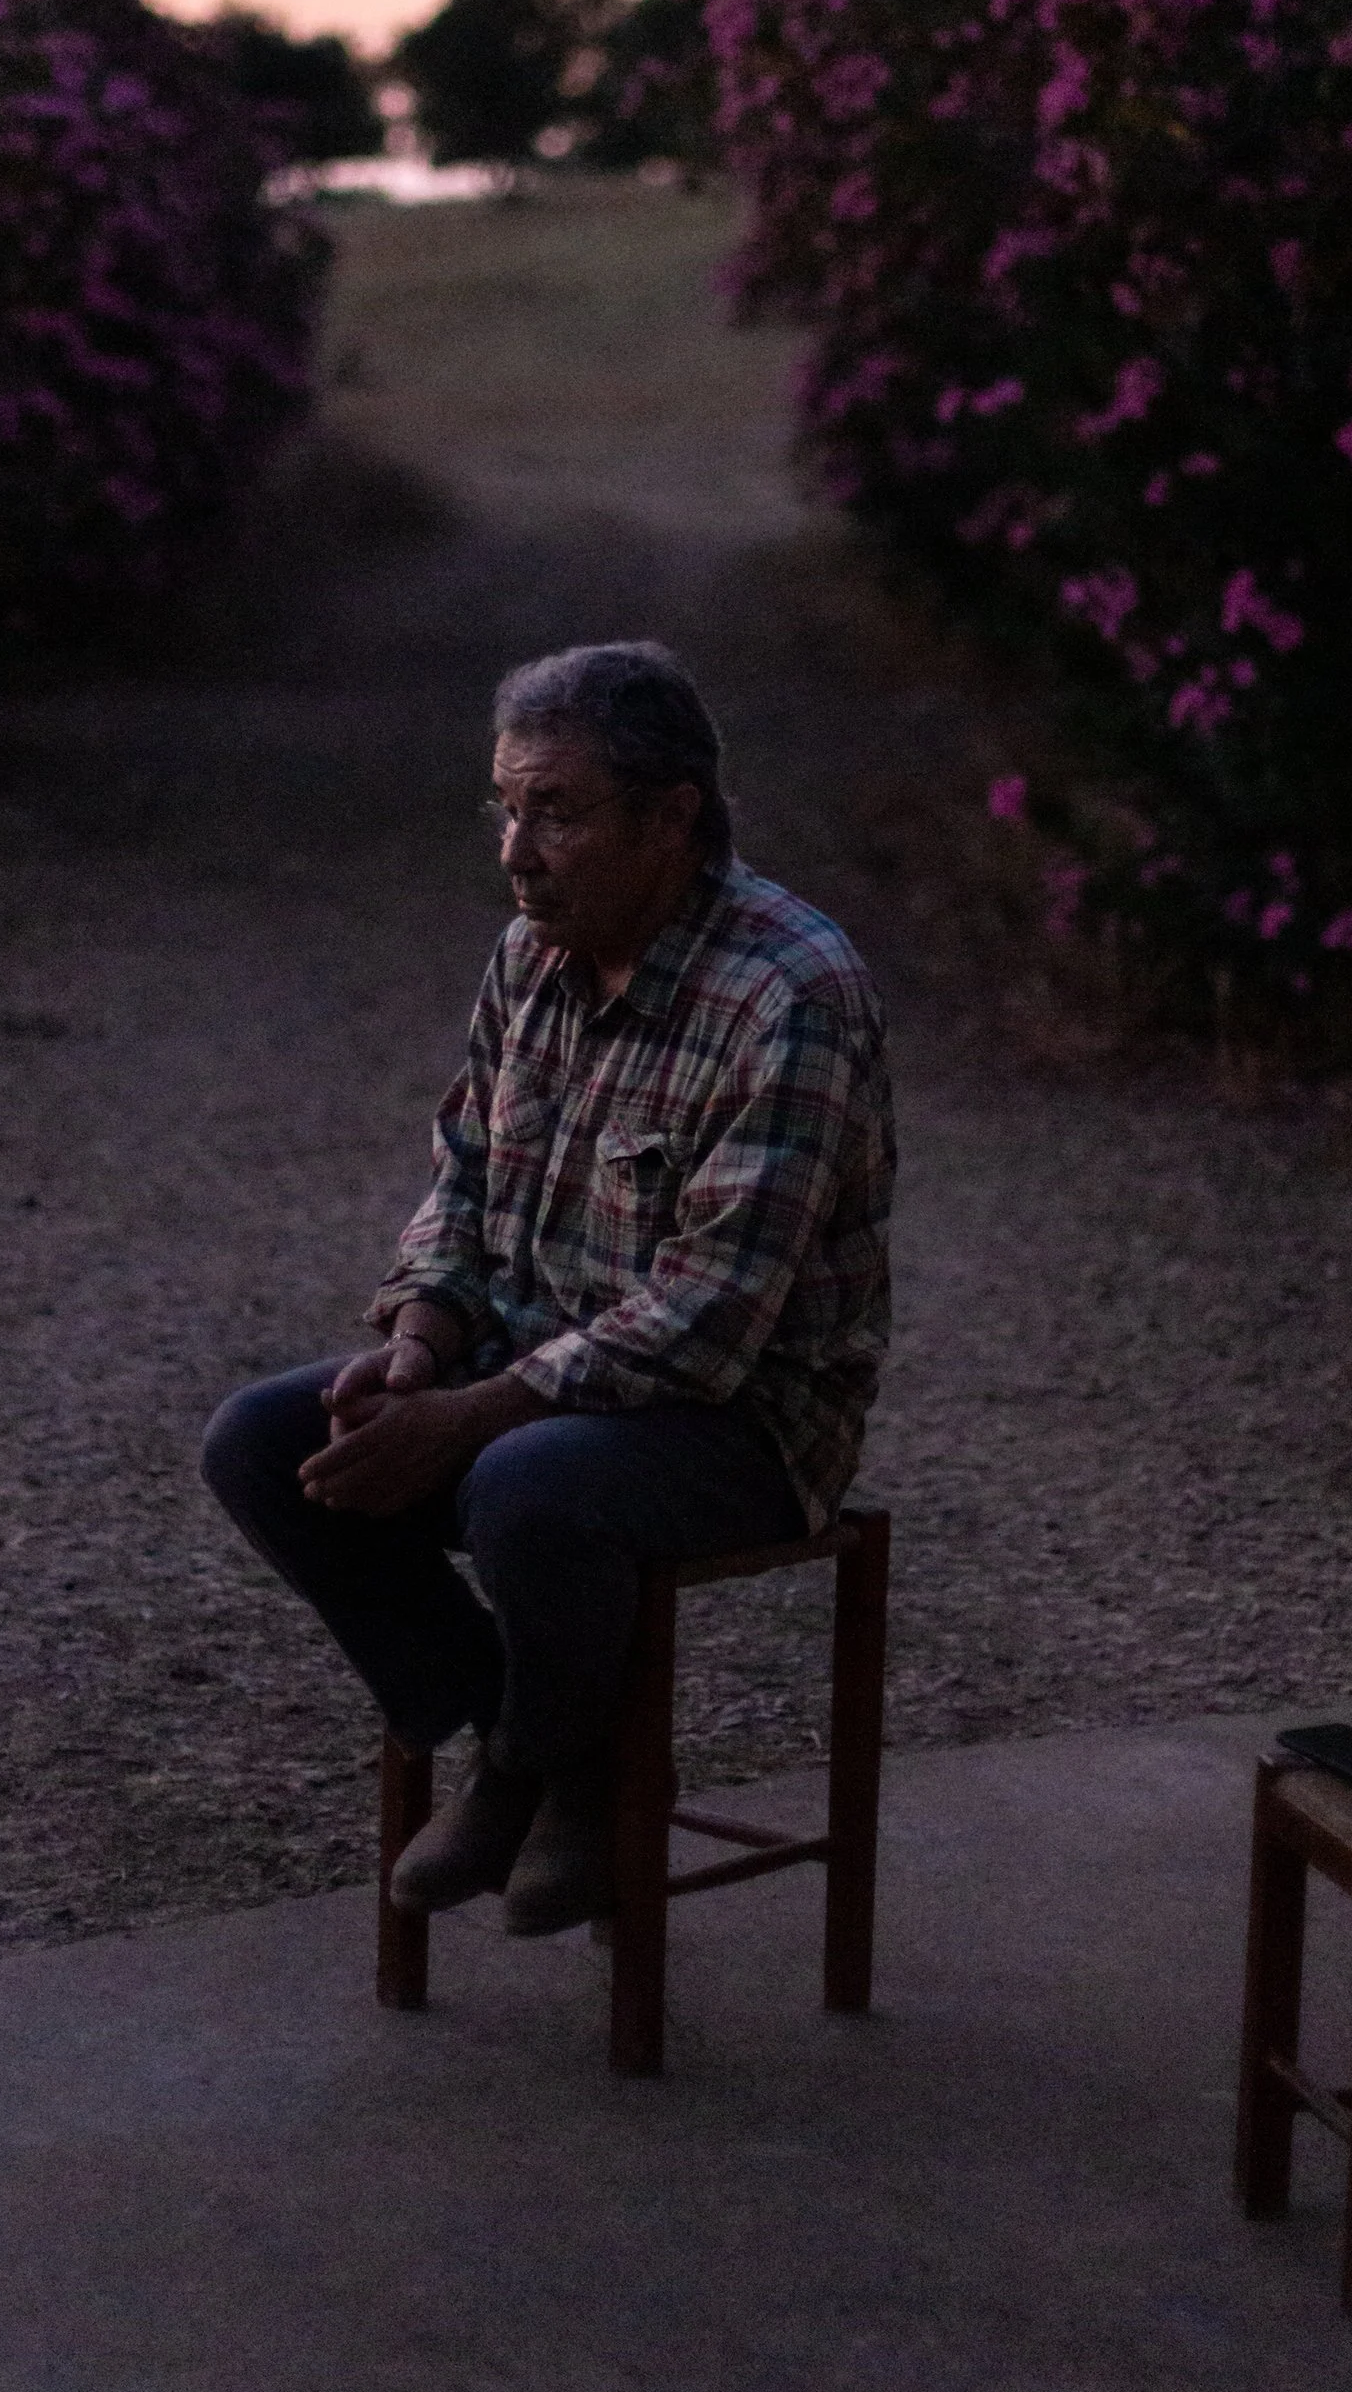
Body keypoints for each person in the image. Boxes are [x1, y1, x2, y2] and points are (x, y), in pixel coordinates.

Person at [201, 639, 894, 1937]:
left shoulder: (789, 991)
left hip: (743, 1413)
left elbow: (712, 1316)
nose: (517, 850)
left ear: (672, 814)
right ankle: (555, 1746)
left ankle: (531, 1764)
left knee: (529, 1484)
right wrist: (421, 1338)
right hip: (536, 1360)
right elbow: (463, 1177)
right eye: (506, 808)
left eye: (558, 812)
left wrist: (467, 1417)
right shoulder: (532, 953)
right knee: (261, 1441)